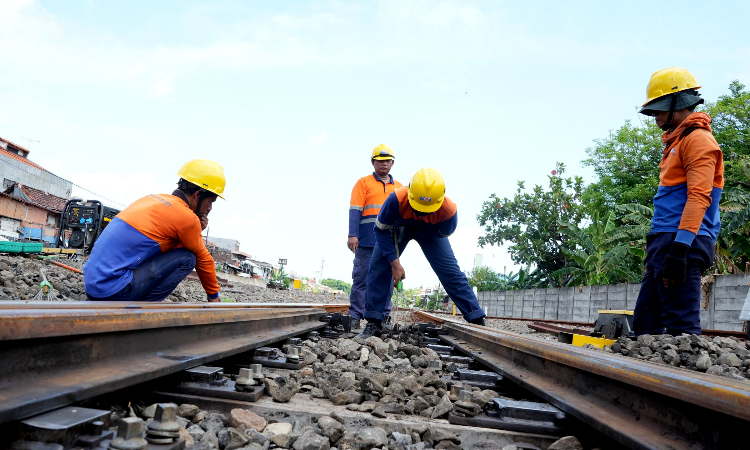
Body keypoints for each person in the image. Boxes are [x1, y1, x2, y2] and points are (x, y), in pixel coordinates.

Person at [634, 67, 724, 335]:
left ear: (678, 104)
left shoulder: (698, 140)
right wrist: (657, 251)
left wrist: (679, 249)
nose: (656, 117)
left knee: (681, 328)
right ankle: (647, 376)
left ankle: (687, 375)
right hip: (665, 241)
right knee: (645, 324)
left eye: (659, 110)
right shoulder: (676, 142)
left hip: (682, 240)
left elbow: (699, 196)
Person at [357, 167, 486, 338]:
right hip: (399, 226)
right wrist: (394, 262)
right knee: (379, 265)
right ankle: (374, 322)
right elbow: (380, 230)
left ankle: (477, 320)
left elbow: (442, 234)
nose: (421, 214)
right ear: (410, 192)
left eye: (427, 210)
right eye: (418, 209)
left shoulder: (449, 212)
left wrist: (424, 230)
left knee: (450, 272)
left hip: (430, 232)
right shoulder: (396, 200)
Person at [84, 159, 226, 302]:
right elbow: (203, 259)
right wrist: (213, 296)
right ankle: (145, 309)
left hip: (93, 287)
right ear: (198, 195)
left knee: (184, 254)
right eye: (211, 202)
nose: (210, 208)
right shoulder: (187, 218)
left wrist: (195, 231)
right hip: (112, 291)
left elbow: (160, 248)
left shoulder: (152, 199)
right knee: (189, 259)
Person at [348, 144, 403, 329]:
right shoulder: (363, 183)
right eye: (380, 161)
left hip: (388, 244)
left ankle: (383, 317)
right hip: (366, 241)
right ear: (373, 162)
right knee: (361, 278)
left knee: (387, 281)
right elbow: (355, 210)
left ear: (393, 163)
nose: (384, 164)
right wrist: (353, 235)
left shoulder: (400, 188)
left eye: (387, 161)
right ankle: (355, 316)